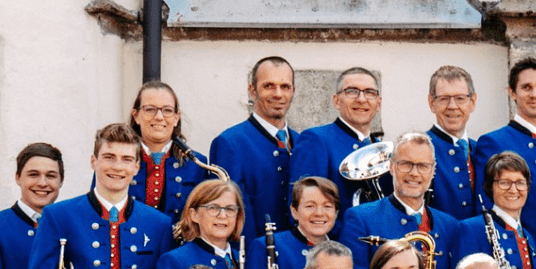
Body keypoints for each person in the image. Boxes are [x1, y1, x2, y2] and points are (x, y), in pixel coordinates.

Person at [23, 123, 173, 269]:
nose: (117, 167)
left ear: (136, 166)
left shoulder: (159, 224)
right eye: (109, 157)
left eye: (126, 159)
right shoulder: (58, 216)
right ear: (94, 161)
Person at [341, 132, 456, 269]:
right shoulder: (361, 218)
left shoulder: (450, 225)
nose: (414, 173)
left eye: (423, 166)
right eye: (405, 164)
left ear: (433, 170)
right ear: (392, 166)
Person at [477, 58, 536, 243]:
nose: (534, 94)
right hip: (517, 247)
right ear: (512, 92)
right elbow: (485, 208)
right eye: (526, 87)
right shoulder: (493, 142)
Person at [209, 55, 297, 233]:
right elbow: (232, 212)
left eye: (285, 87)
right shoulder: (230, 143)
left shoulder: (302, 141)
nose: (278, 94)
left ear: (293, 91)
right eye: (268, 86)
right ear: (252, 90)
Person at [292, 66, 387, 208]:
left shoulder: (382, 149)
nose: (361, 99)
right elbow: (303, 208)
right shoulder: (315, 140)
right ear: (336, 101)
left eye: (369, 92)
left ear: (378, 103)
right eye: (352, 91)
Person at [130, 80, 223, 219]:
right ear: (136, 116)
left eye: (167, 110)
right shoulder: (115, 160)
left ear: (176, 118)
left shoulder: (197, 164)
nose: (159, 117)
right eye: (150, 109)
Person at [425, 65, 484, 221]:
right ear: (431, 103)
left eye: (460, 98)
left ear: (472, 102)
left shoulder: (481, 150)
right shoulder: (419, 149)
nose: (452, 106)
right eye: (444, 98)